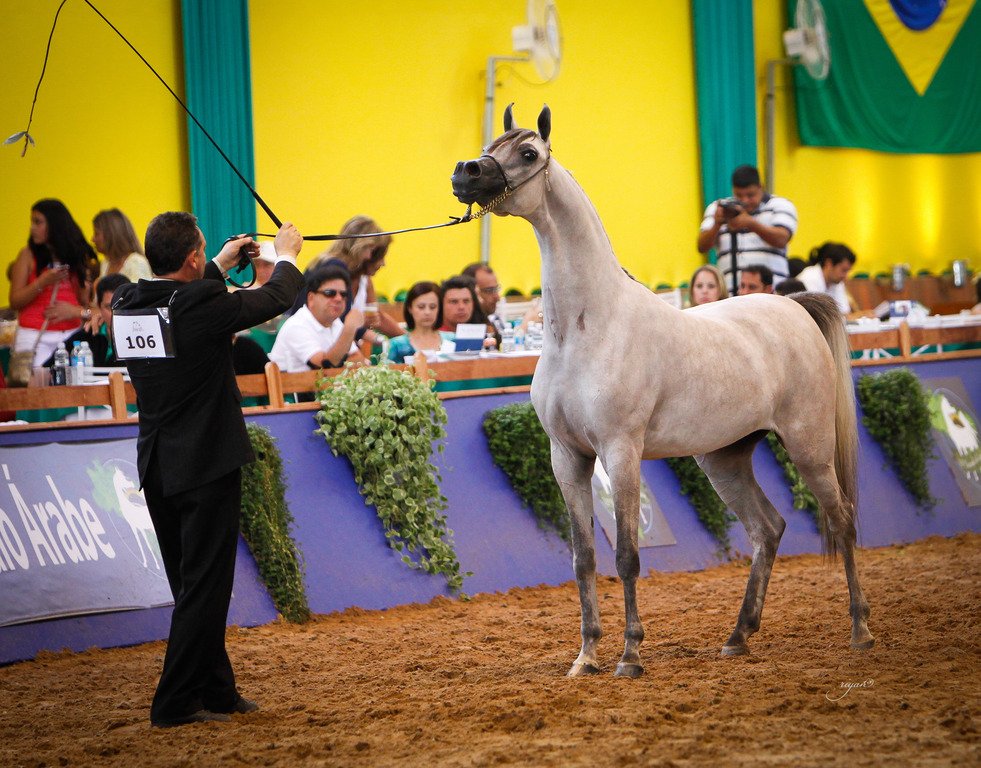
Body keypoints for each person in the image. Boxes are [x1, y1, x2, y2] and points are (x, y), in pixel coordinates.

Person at [112, 213, 304, 728]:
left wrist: (218, 263)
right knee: (206, 587)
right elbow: (273, 299)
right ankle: (174, 703)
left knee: (192, 586)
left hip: (159, 466)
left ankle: (217, 691)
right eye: (202, 252)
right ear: (191, 258)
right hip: (206, 465)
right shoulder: (196, 303)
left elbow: (183, 308)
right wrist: (284, 255)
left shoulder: (127, 301)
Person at [8, 199, 98, 367]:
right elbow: (15, 301)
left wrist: (76, 310)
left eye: (38, 222)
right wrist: (42, 282)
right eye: (32, 222)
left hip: (71, 336)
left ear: (54, 225)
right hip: (33, 335)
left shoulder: (76, 255)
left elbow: (84, 301)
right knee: (36, 390)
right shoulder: (27, 255)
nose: (32, 228)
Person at [697, 165, 798, 294]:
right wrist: (717, 224)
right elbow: (702, 247)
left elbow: (782, 239)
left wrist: (751, 224)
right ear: (733, 190)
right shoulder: (719, 208)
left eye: (751, 195)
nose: (745, 200)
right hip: (729, 296)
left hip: (773, 295)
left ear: (761, 187)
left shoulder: (780, 206)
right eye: (739, 195)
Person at [302, 215, 401, 339]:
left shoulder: (332, 265)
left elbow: (376, 317)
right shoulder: (335, 268)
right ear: (362, 247)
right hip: (313, 339)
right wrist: (374, 336)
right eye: (373, 251)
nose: (370, 257)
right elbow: (338, 318)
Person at [268, 265, 366, 373]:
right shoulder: (297, 325)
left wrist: (338, 357)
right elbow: (324, 366)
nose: (338, 299)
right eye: (330, 293)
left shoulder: (335, 323)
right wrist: (350, 328)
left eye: (343, 294)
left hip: (318, 387)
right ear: (311, 298)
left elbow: (358, 361)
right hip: (290, 388)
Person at [43, 273, 131, 368]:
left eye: (121, 305)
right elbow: (47, 369)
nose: (115, 313)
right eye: (109, 307)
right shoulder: (86, 336)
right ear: (99, 307)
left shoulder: (142, 336)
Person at [387, 281, 455, 364]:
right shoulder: (396, 345)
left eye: (432, 307)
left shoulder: (453, 339)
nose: (427, 312)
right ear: (410, 308)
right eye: (421, 307)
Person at [93, 208, 152, 282]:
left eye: (96, 234)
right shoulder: (106, 264)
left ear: (111, 234)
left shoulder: (136, 263)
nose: (93, 239)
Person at [797, 242, 857, 315]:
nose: (845, 276)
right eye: (843, 270)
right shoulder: (809, 278)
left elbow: (844, 313)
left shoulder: (837, 282)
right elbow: (817, 315)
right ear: (829, 263)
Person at [462, 262, 502, 327]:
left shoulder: (494, 320)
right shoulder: (463, 328)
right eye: (489, 290)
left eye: (496, 289)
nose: (497, 296)